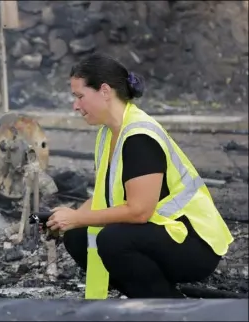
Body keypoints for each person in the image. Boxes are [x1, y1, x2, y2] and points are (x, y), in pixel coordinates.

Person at [46, 53, 234, 299]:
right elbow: (106, 196)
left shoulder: (139, 138)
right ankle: (145, 292)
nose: (75, 105)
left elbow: (139, 211)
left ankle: (166, 304)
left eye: (80, 96)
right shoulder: (108, 134)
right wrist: (67, 219)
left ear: (104, 91)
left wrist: (78, 218)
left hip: (194, 241)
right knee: (78, 235)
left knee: (114, 240)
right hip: (161, 233)